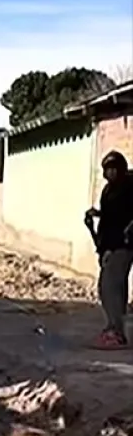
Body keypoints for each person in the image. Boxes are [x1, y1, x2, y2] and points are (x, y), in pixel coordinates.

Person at [84, 150, 133, 350]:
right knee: (113, 287)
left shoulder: (129, 187)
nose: (111, 173)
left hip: (122, 244)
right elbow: (113, 215)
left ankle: (116, 333)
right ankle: (113, 327)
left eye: (114, 169)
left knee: (110, 287)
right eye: (107, 169)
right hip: (108, 244)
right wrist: (97, 215)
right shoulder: (108, 190)